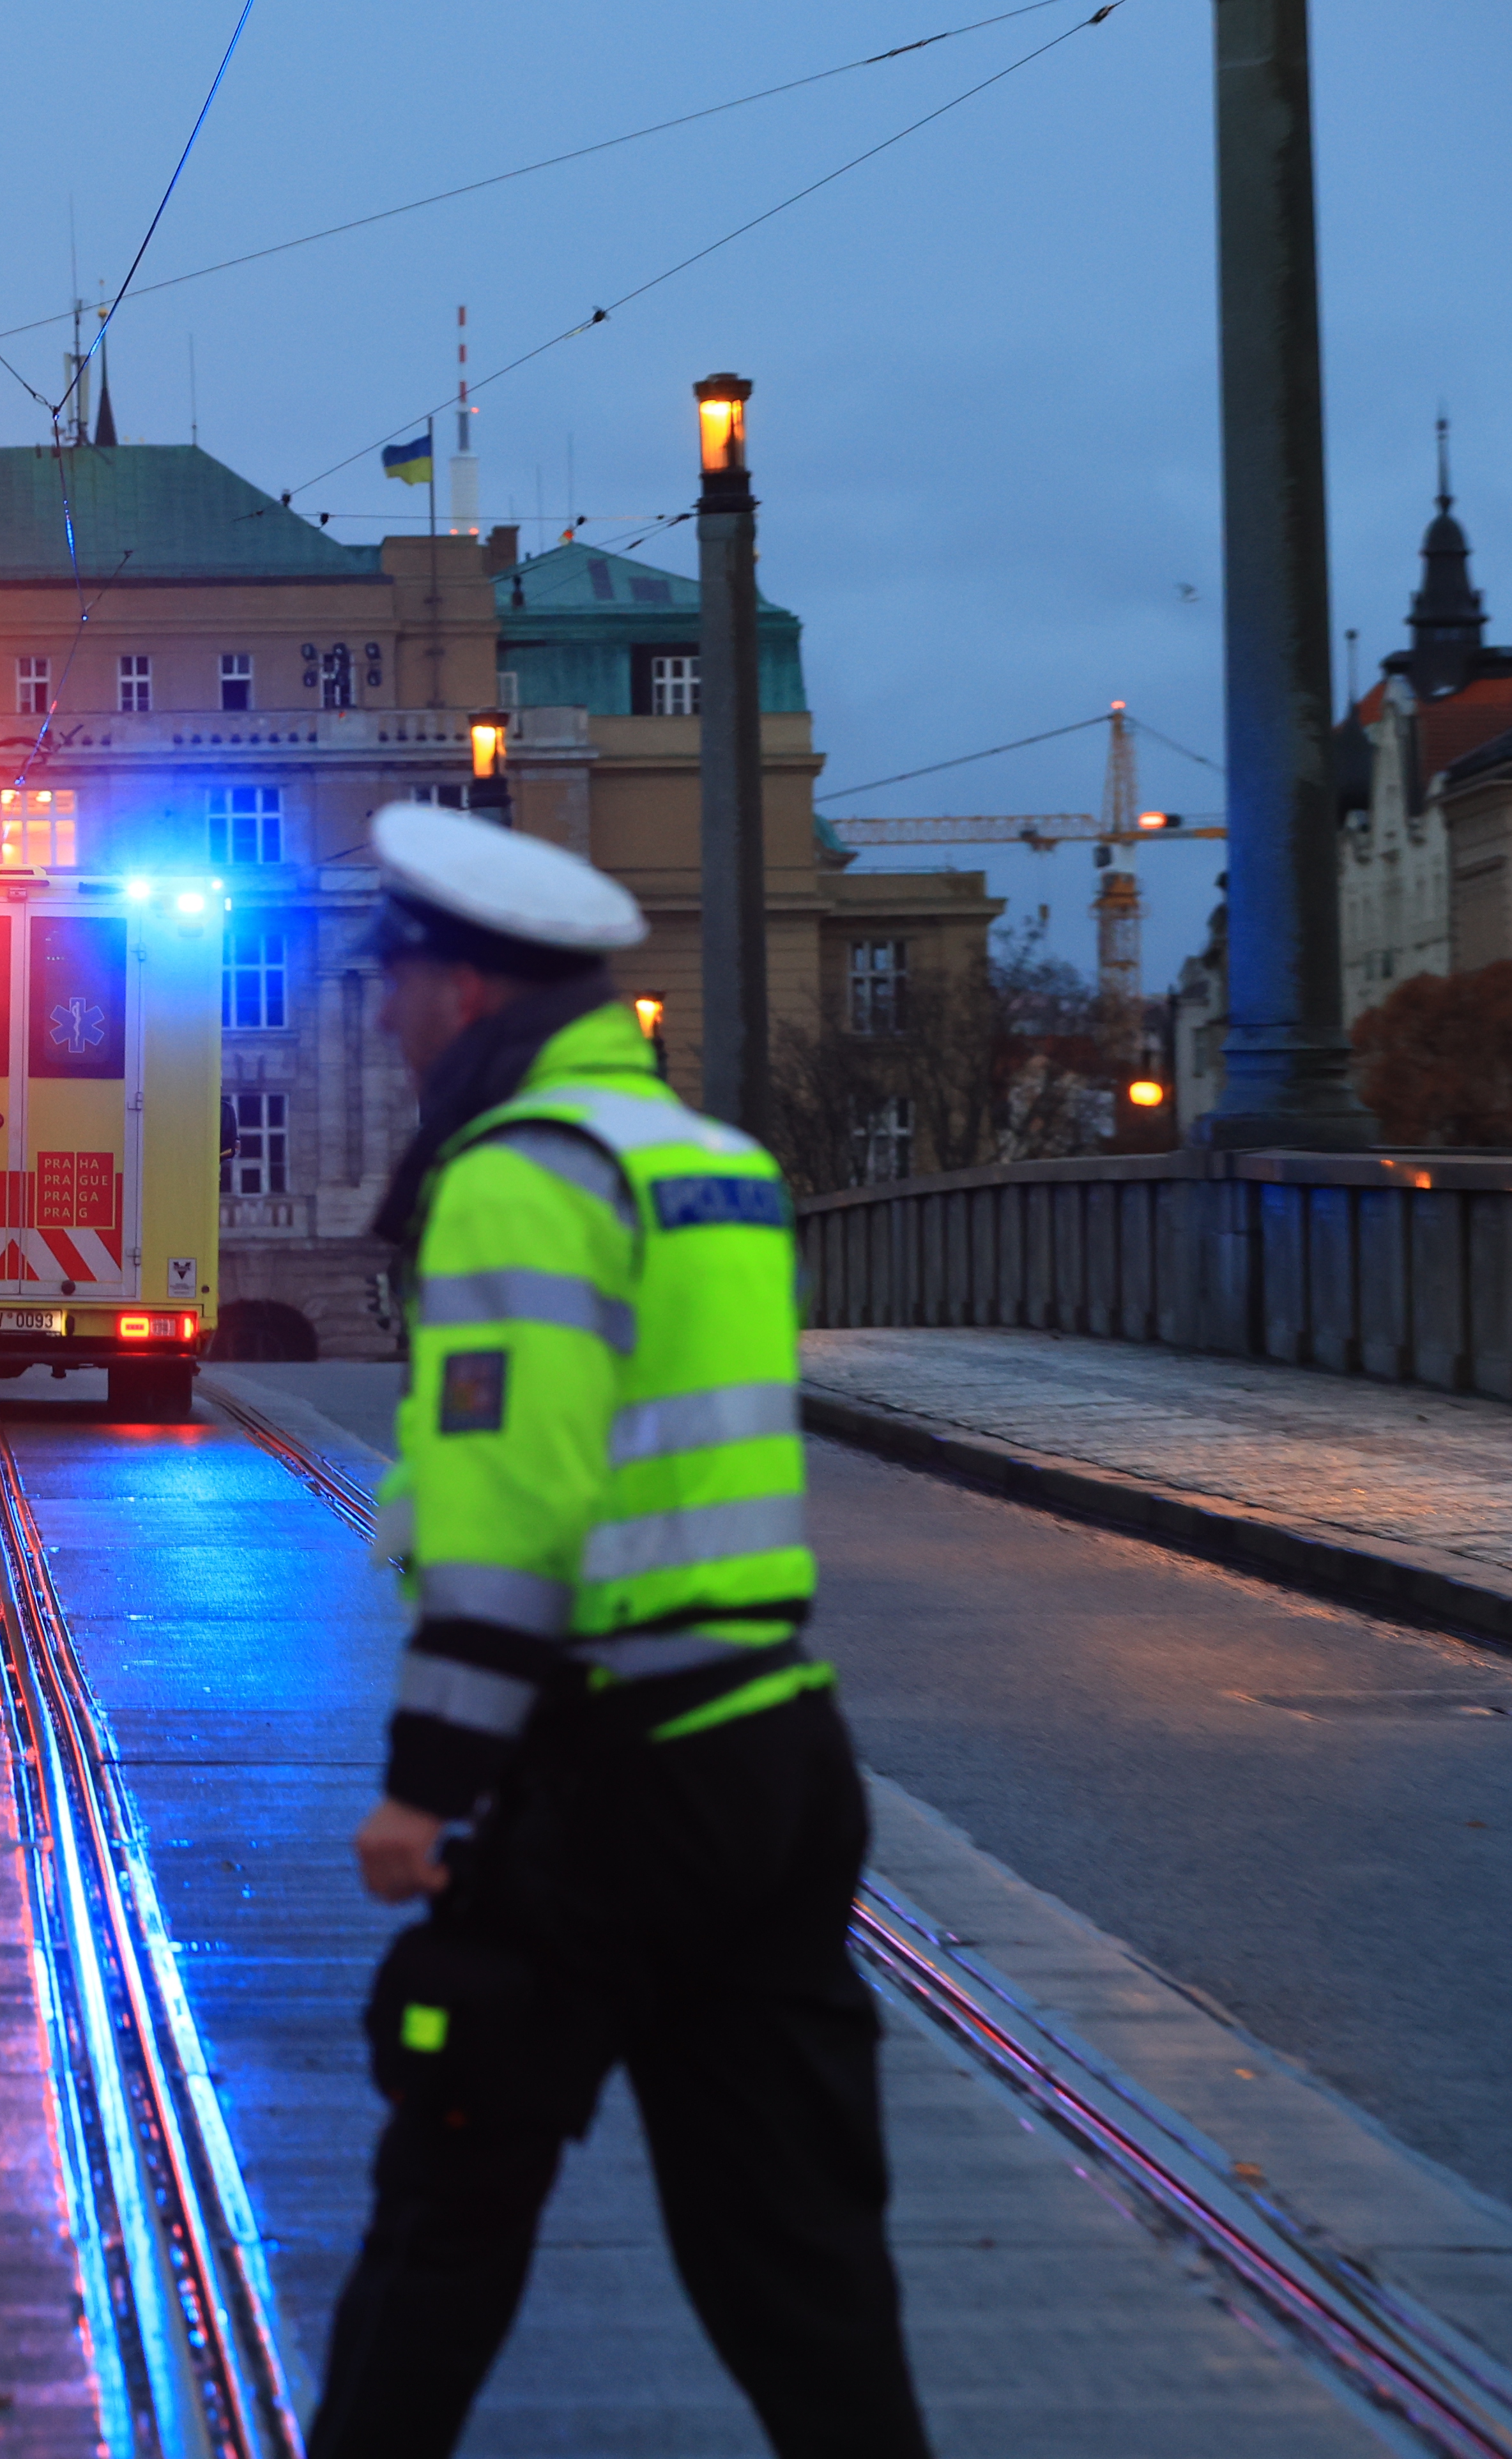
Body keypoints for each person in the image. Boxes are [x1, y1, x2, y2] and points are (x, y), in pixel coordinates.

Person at [312, 802, 930, 2459]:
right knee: (796, 2252)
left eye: (391, 980)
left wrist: (426, 1788)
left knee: (446, 2207)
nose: (379, 1013)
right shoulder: (712, 1162)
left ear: (461, 988)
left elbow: (514, 1514)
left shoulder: (522, 1180)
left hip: (611, 1775)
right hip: (781, 1754)